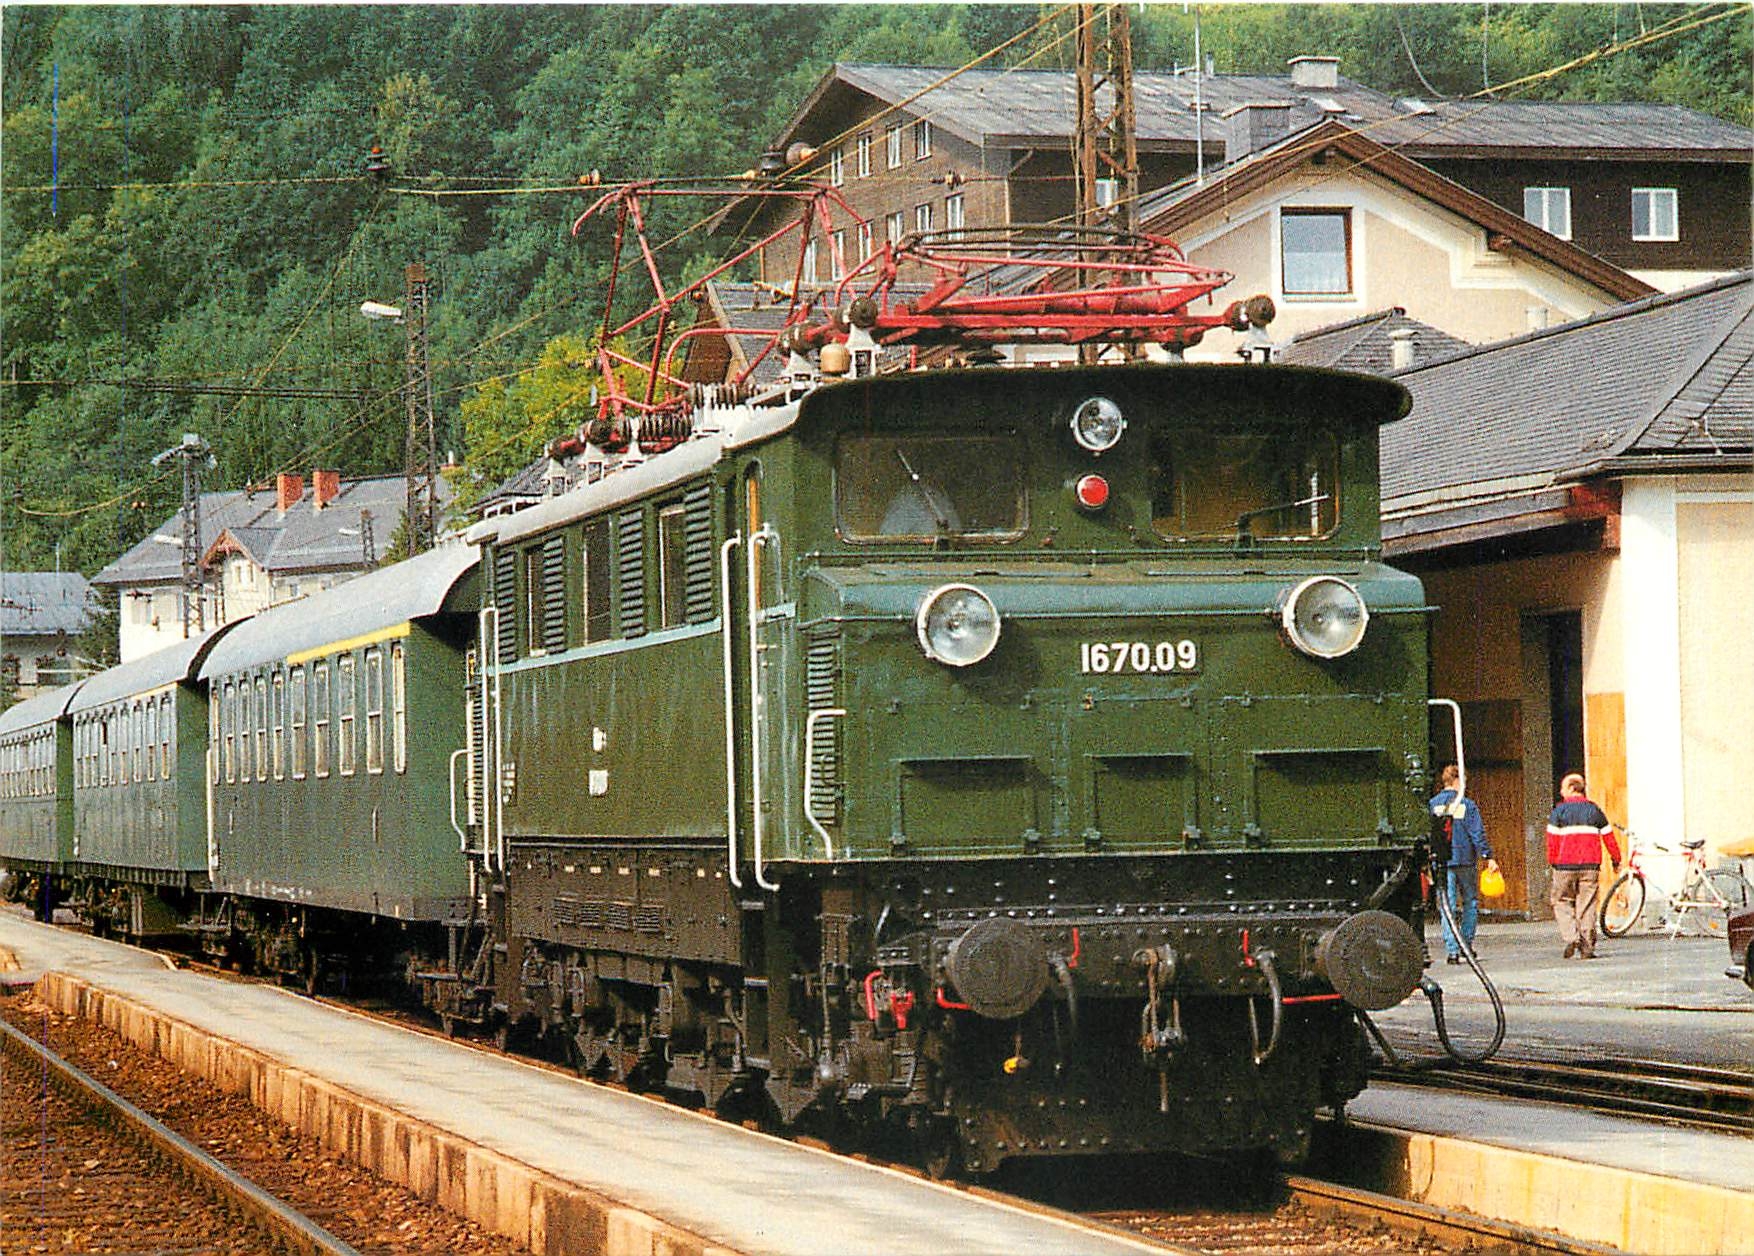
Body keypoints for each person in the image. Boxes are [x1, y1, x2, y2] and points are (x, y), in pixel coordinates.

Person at [1545, 772, 1621, 959]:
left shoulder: (1559, 812)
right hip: (1590, 866)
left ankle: (1572, 937)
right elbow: (1609, 838)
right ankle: (1587, 945)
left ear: (1571, 789)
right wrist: (1616, 859)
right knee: (1586, 904)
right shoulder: (1594, 811)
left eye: (1563, 788)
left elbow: (1551, 842)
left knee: (1561, 901)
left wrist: (1553, 862)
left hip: (1564, 866)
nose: (1561, 791)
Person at [1429, 765, 1499, 964]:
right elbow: (1476, 833)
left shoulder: (1432, 804)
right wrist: (1487, 856)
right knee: (1470, 902)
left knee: (1447, 906)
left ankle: (1452, 950)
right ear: (1457, 781)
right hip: (1465, 859)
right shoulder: (1466, 805)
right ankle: (1465, 946)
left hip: (1442, 861)